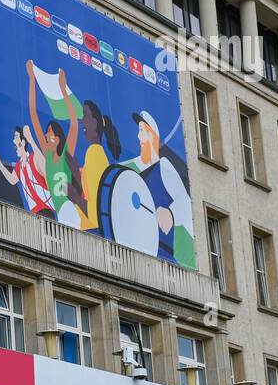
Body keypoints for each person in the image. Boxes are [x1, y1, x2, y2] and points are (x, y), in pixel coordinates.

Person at [122, 110, 195, 267]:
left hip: (163, 257)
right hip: (139, 253)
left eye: (141, 131)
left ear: (151, 135)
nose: (138, 137)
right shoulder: (136, 171)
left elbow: (184, 200)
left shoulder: (163, 166)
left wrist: (170, 212)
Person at [27, 62, 87, 228]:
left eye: (50, 133)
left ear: (58, 138)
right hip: (60, 213)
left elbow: (74, 123)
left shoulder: (66, 155)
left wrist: (62, 87)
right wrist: (32, 79)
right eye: (46, 133)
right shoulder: (47, 154)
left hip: (69, 210)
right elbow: (33, 113)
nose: (46, 136)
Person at [78, 100, 120, 234]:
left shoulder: (94, 153)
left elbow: (96, 207)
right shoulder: (97, 153)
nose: (82, 120)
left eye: (85, 115)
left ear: (95, 123)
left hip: (93, 230)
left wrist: (74, 196)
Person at [0, 126, 53, 217]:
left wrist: (31, 140)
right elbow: (12, 180)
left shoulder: (33, 157)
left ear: (23, 142)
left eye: (16, 137)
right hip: (34, 213)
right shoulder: (19, 165)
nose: (13, 140)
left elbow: (45, 169)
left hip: (46, 211)